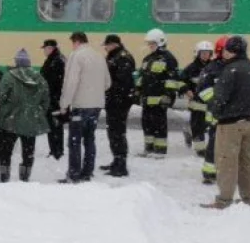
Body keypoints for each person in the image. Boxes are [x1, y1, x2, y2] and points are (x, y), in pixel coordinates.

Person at [201, 36, 250, 209]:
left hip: (230, 124)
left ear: (231, 51)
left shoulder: (230, 70)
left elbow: (220, 98)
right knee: (247, 163)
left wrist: (214, 110)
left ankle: (223, 200)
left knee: (226, 162)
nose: (224, 53)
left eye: (226, 50)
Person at [57, 32, 111, 183]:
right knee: (89, 139)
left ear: (76, 42)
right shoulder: (99, 56)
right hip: (96, 105)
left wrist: (64, 104)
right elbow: (108, 83)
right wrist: (95, 91)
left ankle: (73, 174)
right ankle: (87, 172)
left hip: (81, 105)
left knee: (74, 141)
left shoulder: (77, 56)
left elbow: (71, 82)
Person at [0, 49, 50, 182]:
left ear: (17, 62)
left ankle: (4, 176)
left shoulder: (8, 76)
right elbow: (45, 100)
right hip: (31, 121)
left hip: (9, 121)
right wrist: (37, 112)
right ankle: (25, 176)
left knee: (6, 151)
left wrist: (2, 111)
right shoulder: (39, 78)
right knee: (28, 152)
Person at [137, 28, 180, 156]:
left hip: (160, 99)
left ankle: (160, 150)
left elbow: (172, 79)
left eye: (152, 43)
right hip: (147, 99)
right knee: (147, 124)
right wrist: (138, 91)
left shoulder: (168, 59)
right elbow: (142, 77)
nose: (150, 46)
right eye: (149, 43)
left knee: (159, 125)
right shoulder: (147, 59)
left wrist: (168, 95)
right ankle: (149, 148)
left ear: (160, 42)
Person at [100, 34, 136, 177]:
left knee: (117, 132)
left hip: (119, 101)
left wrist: (109, 90)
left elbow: (122, 82)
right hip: (115, 100)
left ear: (113, 44)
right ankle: (116, 160)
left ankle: (121, 165)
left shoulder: (122, 58)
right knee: (113, 132)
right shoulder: (115, 56)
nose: (106, 48)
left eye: (107, 45)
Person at [196, 36, 229, 184]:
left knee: (229, 146)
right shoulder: (211, 68)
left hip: (232, 115)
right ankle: (209, 173)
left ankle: (226, 172)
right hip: (216, 115)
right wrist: (216, 102)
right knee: (214, 144)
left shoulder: (235, 67)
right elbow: (202, 89)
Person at [180, 40, 215, 157]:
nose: (205, 55)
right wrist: (186, 90)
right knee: (198, 126)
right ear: (198, 53)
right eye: (203, 53)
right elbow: (180, 81)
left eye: (208, 53)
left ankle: (189, 132)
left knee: (207, 125)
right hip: (196, 104)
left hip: (210, 103)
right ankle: (200, 150)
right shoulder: (191, 68)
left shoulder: (214, 67)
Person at [40, 38, 66, 160]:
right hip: (54, 98)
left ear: (51, 48)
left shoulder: (56, 61)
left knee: (54, 125)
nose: (44, 51)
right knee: (54, 125)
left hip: (54, 99)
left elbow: (53, 82)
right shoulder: (55, 60)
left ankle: (57, 151)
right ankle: (55, 150)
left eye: (45, 48)